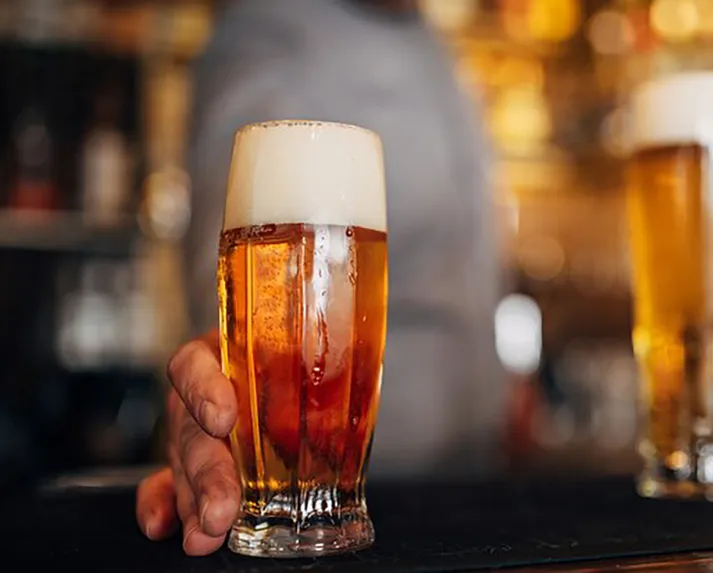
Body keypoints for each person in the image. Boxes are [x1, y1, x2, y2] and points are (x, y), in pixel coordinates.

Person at [135, 0, 507, 556]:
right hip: (368, 505)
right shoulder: (267, 32)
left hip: (486, 478)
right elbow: (239, 302)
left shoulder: (427, 39)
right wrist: (213, 414)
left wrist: (509, 391)